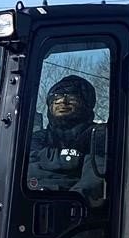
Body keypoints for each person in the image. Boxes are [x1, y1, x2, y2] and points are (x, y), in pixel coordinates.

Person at [27, 74, 108, 202]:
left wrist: (70, 202)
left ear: (86, 103)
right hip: (30, 201)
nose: (62, 102)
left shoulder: (97, 135)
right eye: (56, 98)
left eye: (71, 97)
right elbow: (27, 173)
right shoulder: (38, 138)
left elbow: (93, 181)